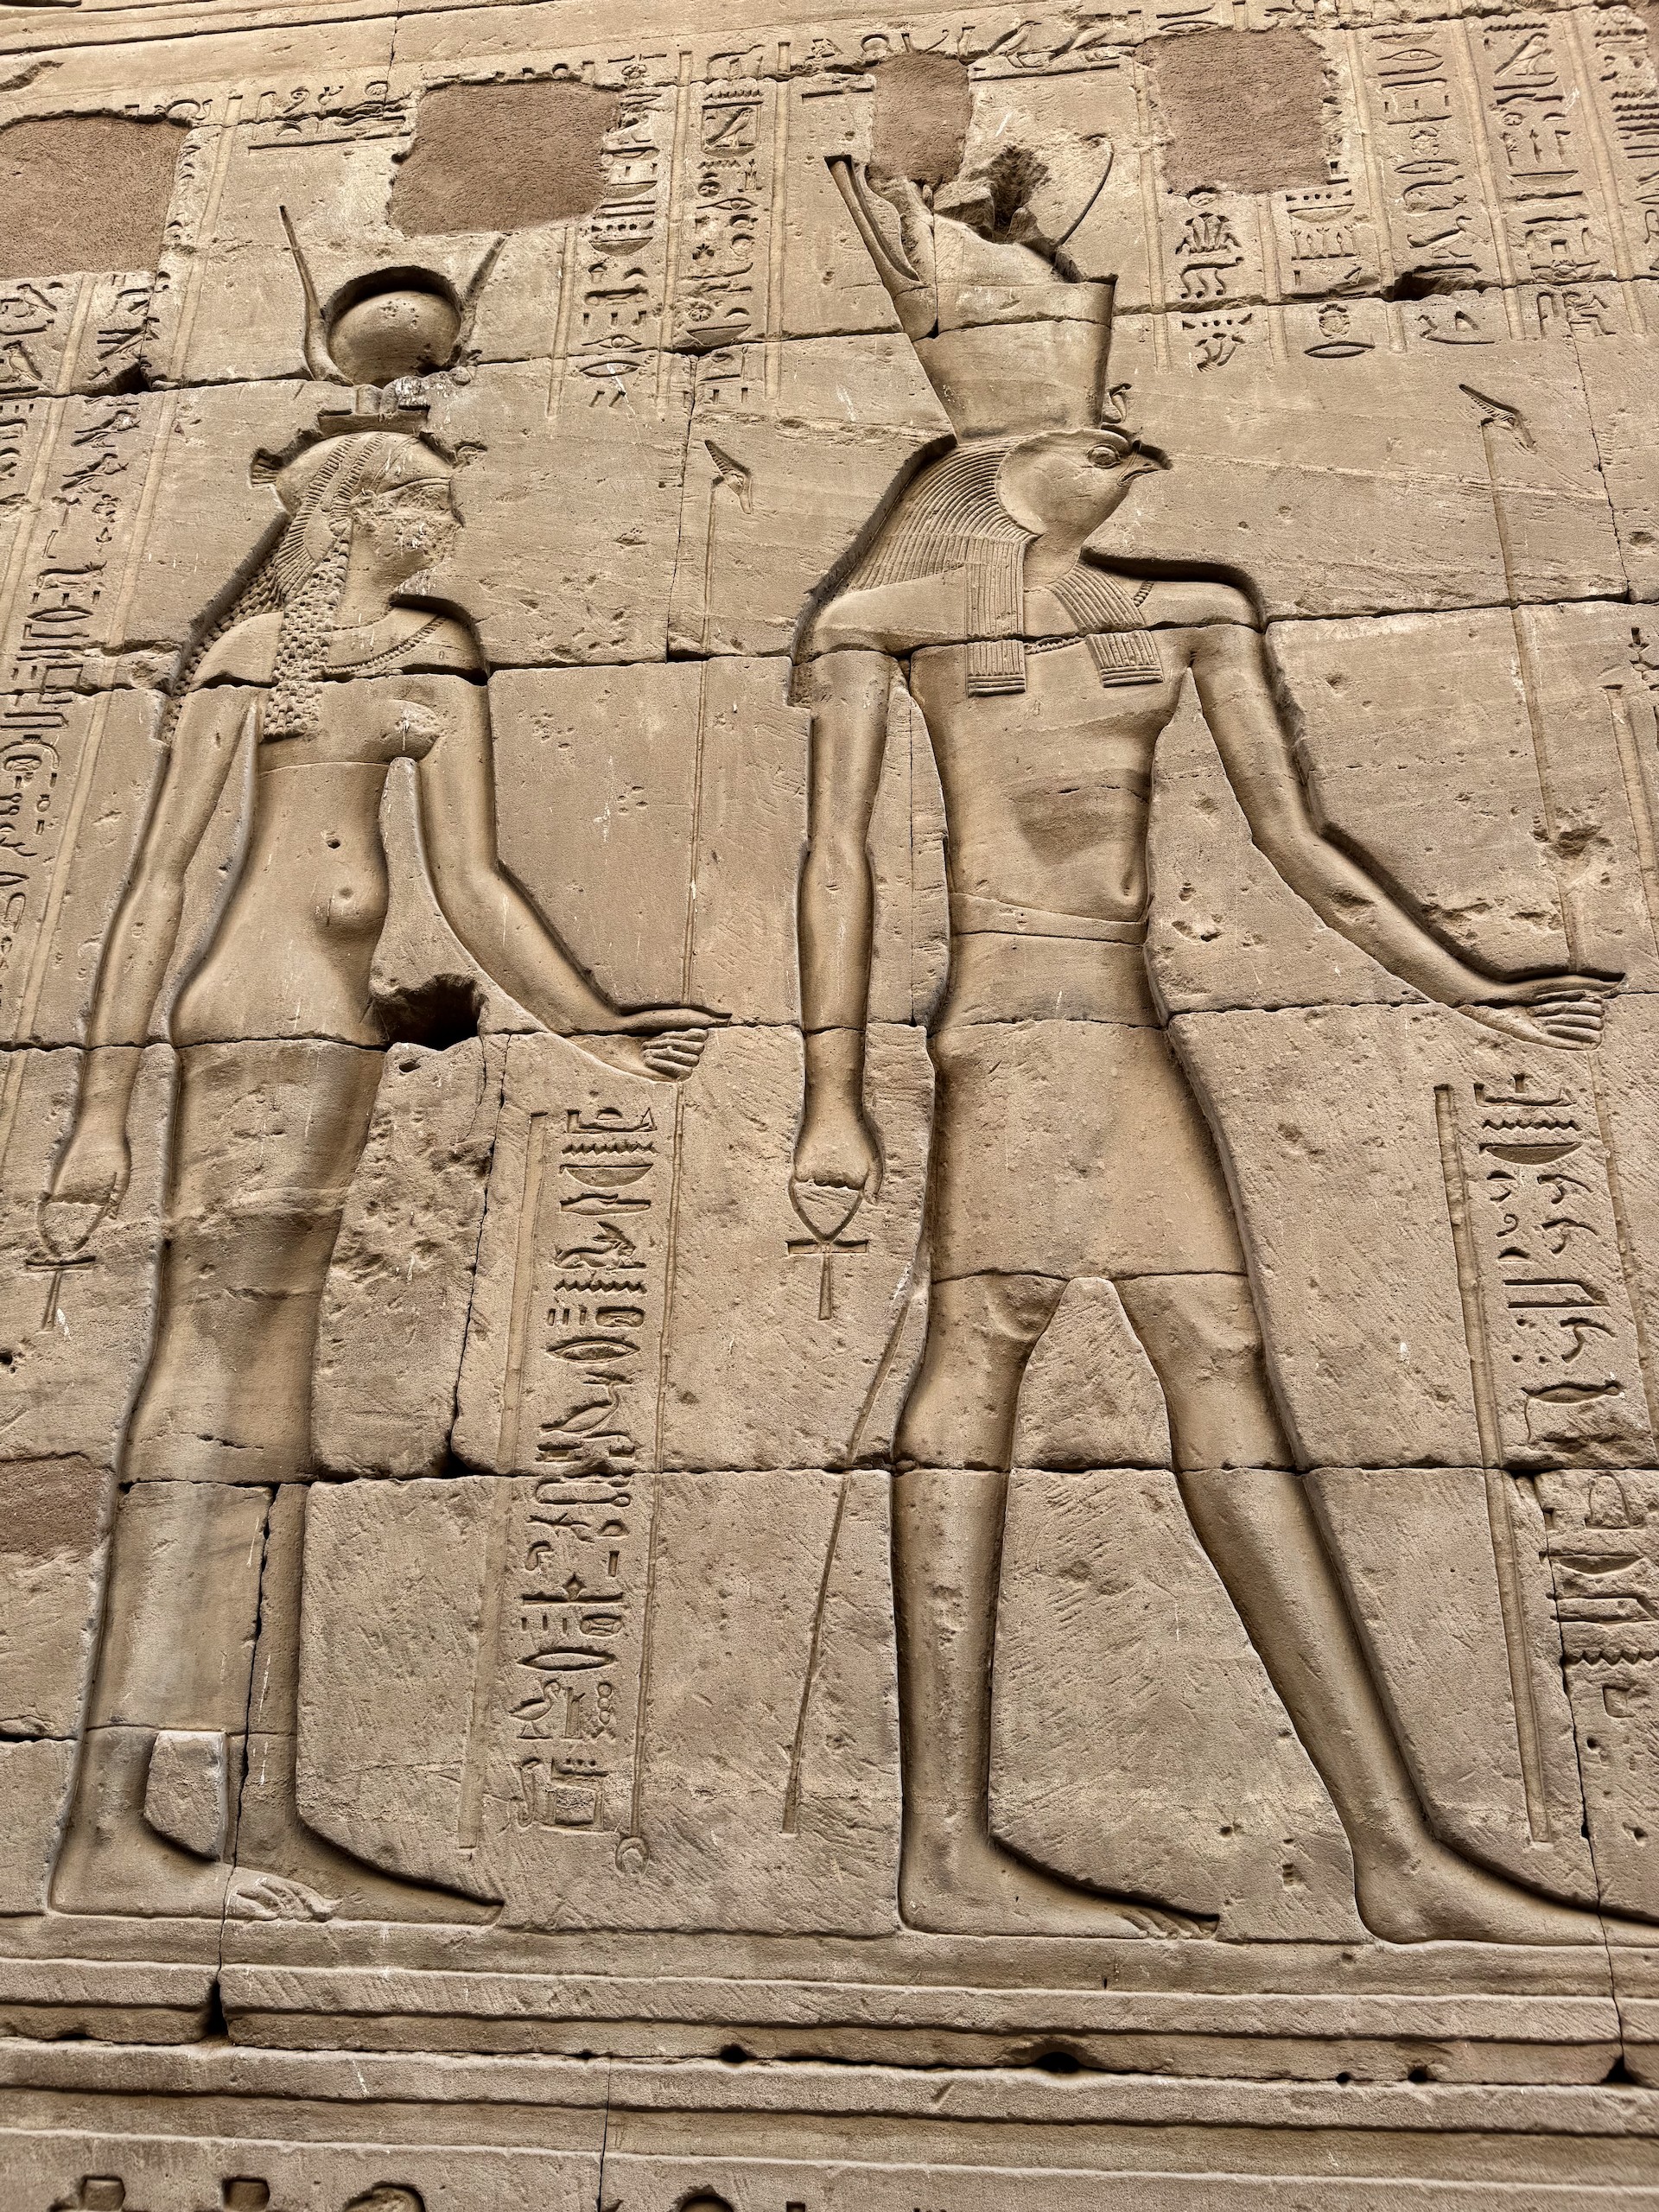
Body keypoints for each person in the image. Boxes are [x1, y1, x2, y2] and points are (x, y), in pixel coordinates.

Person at [795, 154, 1644, 1942]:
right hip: (1008, 1034)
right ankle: (945, 1848)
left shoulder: (1189, 613)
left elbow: (1303, 844)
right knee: (990, 1359)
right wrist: (829, 1098)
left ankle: (1394, 1854)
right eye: (1095, 436)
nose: (1133, 456)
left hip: (1117, 1023)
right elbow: (838, 864)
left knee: (1216, 1361)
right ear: (1002, 463)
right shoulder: (891, 624)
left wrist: (1472, 984)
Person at [43, 428, 716, 1922]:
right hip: (254, 1016)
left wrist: (600, 1031)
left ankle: (258, 1810)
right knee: (206, 1399)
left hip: (336, 1023)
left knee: (272, 1415)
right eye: (413, 495)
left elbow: (473, 884)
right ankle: (105, 1828)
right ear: (342, 515)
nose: (442, 517)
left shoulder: (435, 647)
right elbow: (157, 885)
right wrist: (95, 1111)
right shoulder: (257, 660)